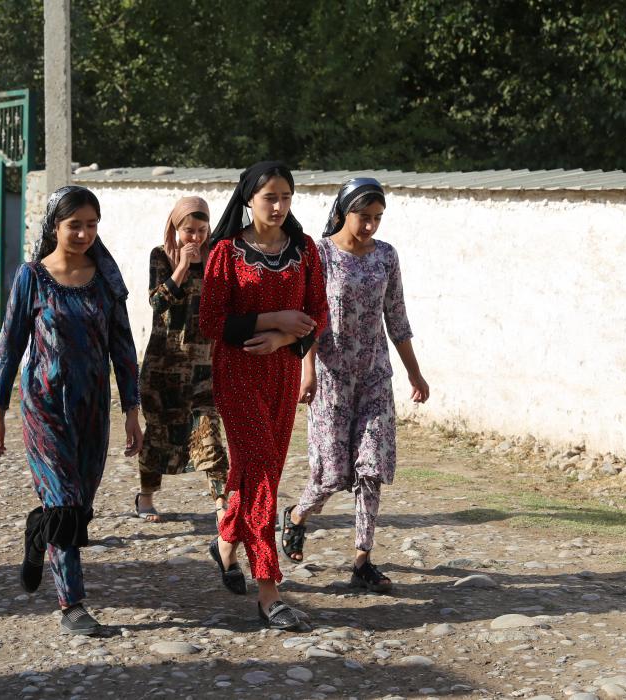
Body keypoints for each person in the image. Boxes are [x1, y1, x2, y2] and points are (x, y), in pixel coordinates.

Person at [0, 185, 143, 636]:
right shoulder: (31, 277)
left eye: (92, 225)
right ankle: (71, 603)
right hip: (44, 407)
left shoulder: (105, 280)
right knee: (66, 504)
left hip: (93, 408)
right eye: (75, 225)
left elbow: (123, 347)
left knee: (79, 505)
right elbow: (9, 345)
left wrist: (132, 409)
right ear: (55, 226)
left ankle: (39, 533)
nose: (84, 234)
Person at [281, 177, 429, 594]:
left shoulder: (386, 257)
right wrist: (306, 369)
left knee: (372, 469)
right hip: (330, 374)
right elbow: (309, 316)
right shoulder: (320, 253)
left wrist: (414, 373)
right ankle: (296, 517)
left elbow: (396, 317)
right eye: (364, 217)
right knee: (331, 473)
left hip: (375, 376)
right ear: (344, 212)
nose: (370, 227)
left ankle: (362, 559)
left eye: (378, 218)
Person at [199, 161, 328, 631]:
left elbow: (318, 313)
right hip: (236, 373)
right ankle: (269, 590)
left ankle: (224, 543)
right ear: (248, 199)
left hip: (283, 371)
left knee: (263, 470)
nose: (278, 206)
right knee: (261, 476)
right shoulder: (225, 253)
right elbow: (212, 320)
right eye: (269, 197)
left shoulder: (306, 250)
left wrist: (285, 341)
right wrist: (272, 319)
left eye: (286, 197)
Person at [135, 196, 229, 523]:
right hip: (164, 365)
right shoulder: (160, 256)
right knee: (158, 433)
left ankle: (221, 503)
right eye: (189, 230)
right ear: (176, 228)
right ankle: (146, 497)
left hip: (204, 364)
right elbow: (158, 303)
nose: (196, 238)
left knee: (209, 432)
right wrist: (182, 266)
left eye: (202, 230)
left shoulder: (217, 257)